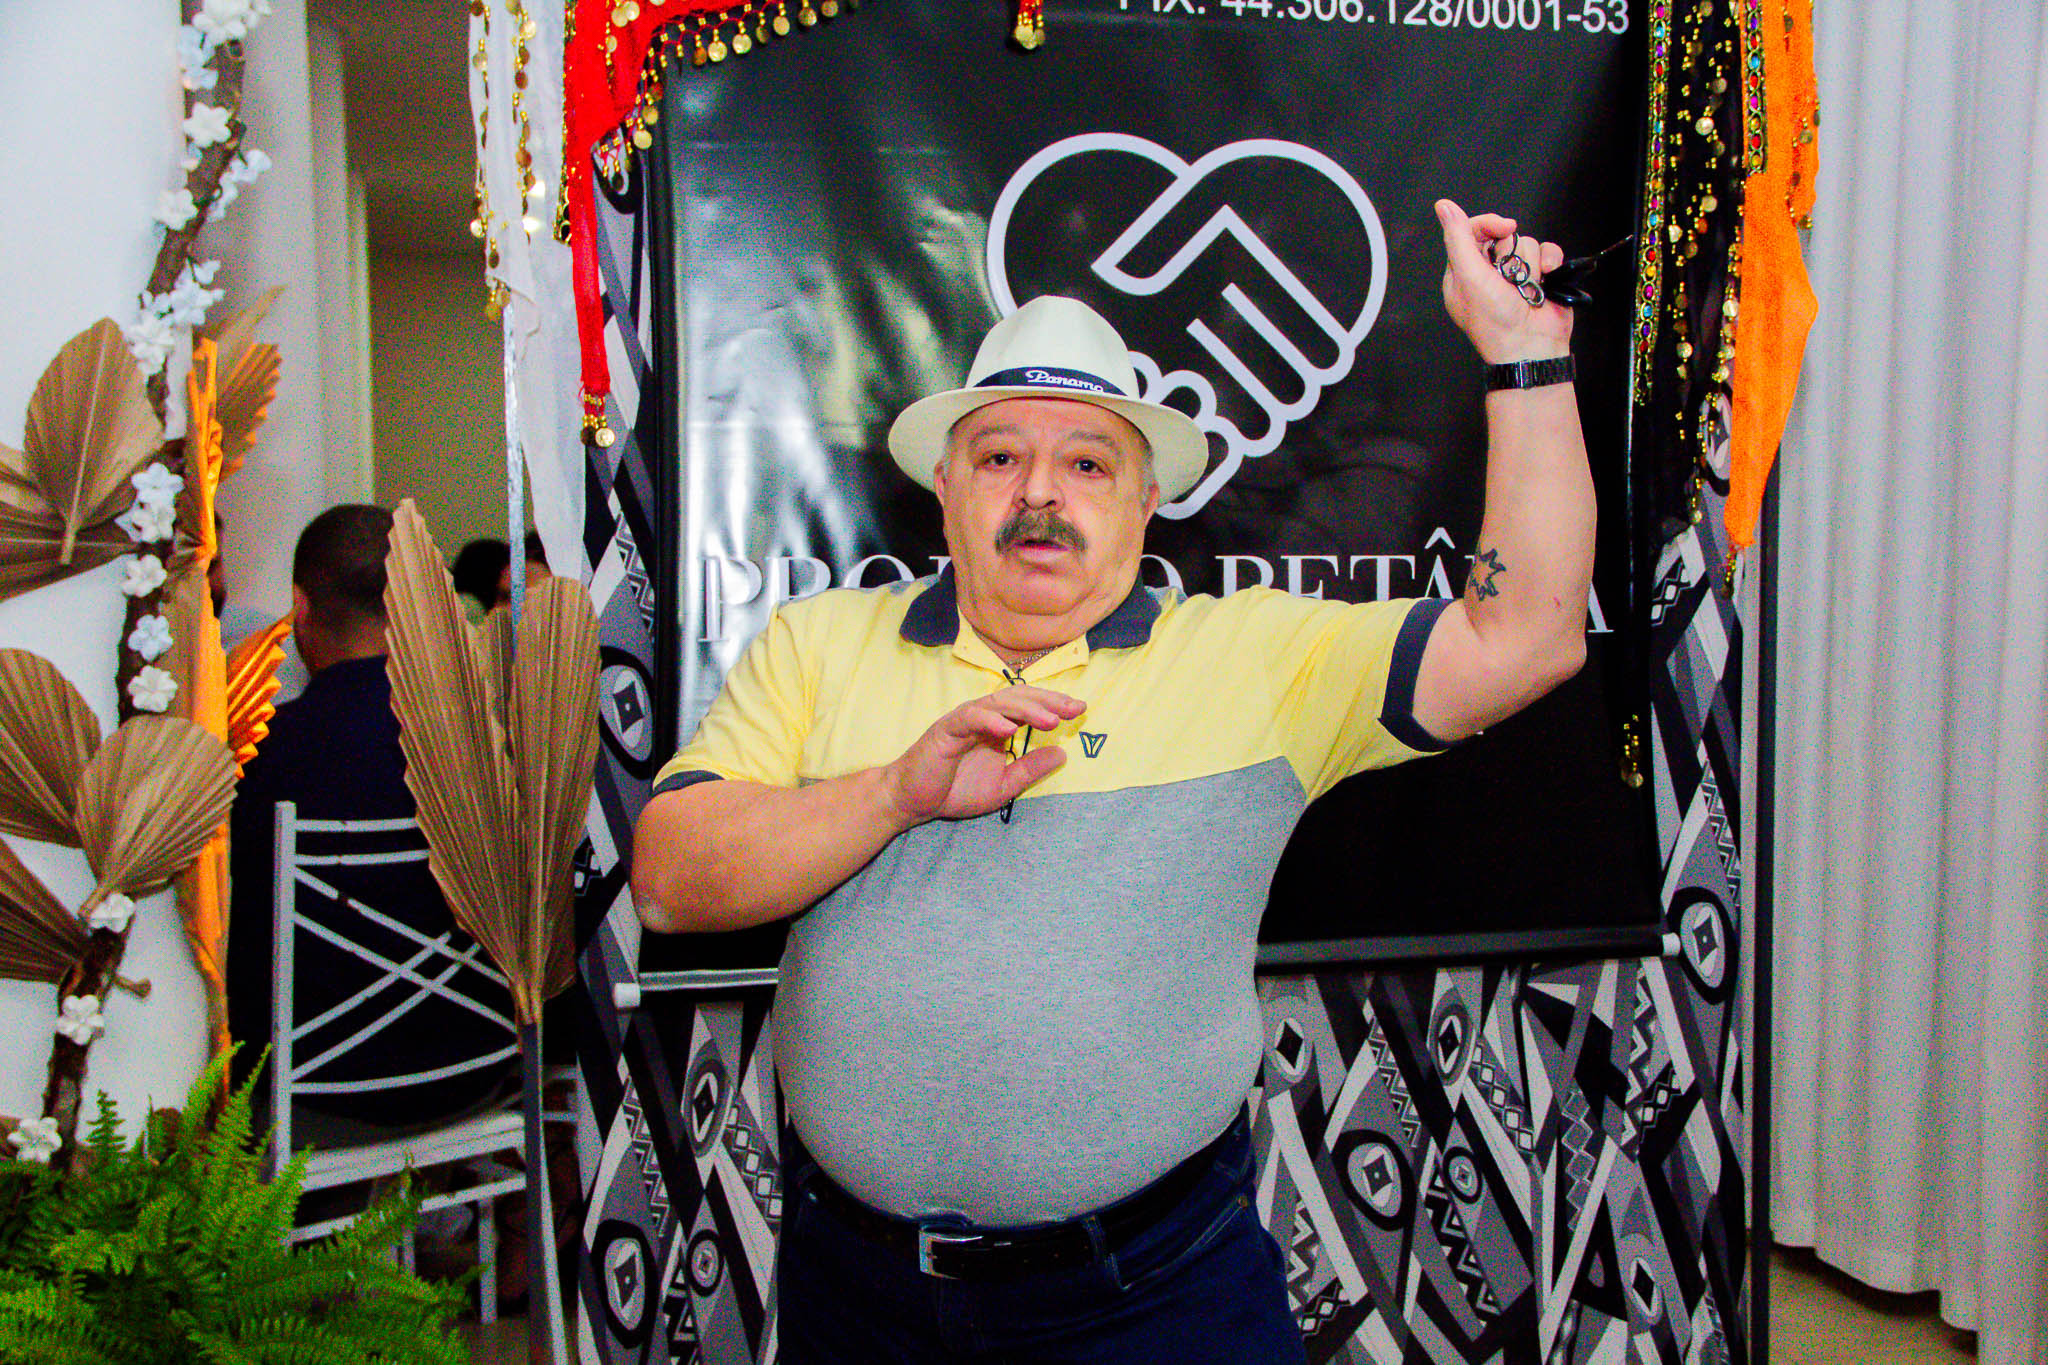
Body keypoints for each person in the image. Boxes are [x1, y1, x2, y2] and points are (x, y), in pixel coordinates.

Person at [631, 200, 1592, 1362]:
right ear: (944, 485)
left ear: (1144, 499)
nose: (1040, 493)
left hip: (1156, 1300)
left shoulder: (1249, 660)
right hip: (861, 1298)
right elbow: (668, 885)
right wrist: (891, 796)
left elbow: (1526, 637)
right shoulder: (816, 644)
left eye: (1087, 463)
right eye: (1000, 457)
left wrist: (1524, 354)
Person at [227, 504, 518, 1141]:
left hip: (318, 1096)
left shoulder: (254, 756)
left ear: (299, 606)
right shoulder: (493, 745)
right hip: (479, 1071)